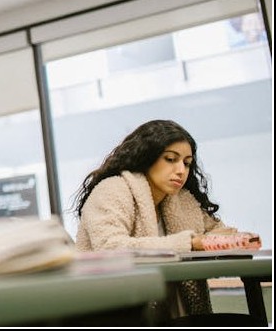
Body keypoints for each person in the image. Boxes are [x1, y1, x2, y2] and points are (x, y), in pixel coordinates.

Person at [73, 119, 260, 321]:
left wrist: (213, 241)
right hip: (117, 317)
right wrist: (190, 243)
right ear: (146, 157)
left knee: (249, 322)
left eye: (187, 163)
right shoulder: (113, 189)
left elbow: (220, 233)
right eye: (170, 159)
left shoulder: (181, 199)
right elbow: (110, 247)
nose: (181, 170)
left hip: (171, 316)